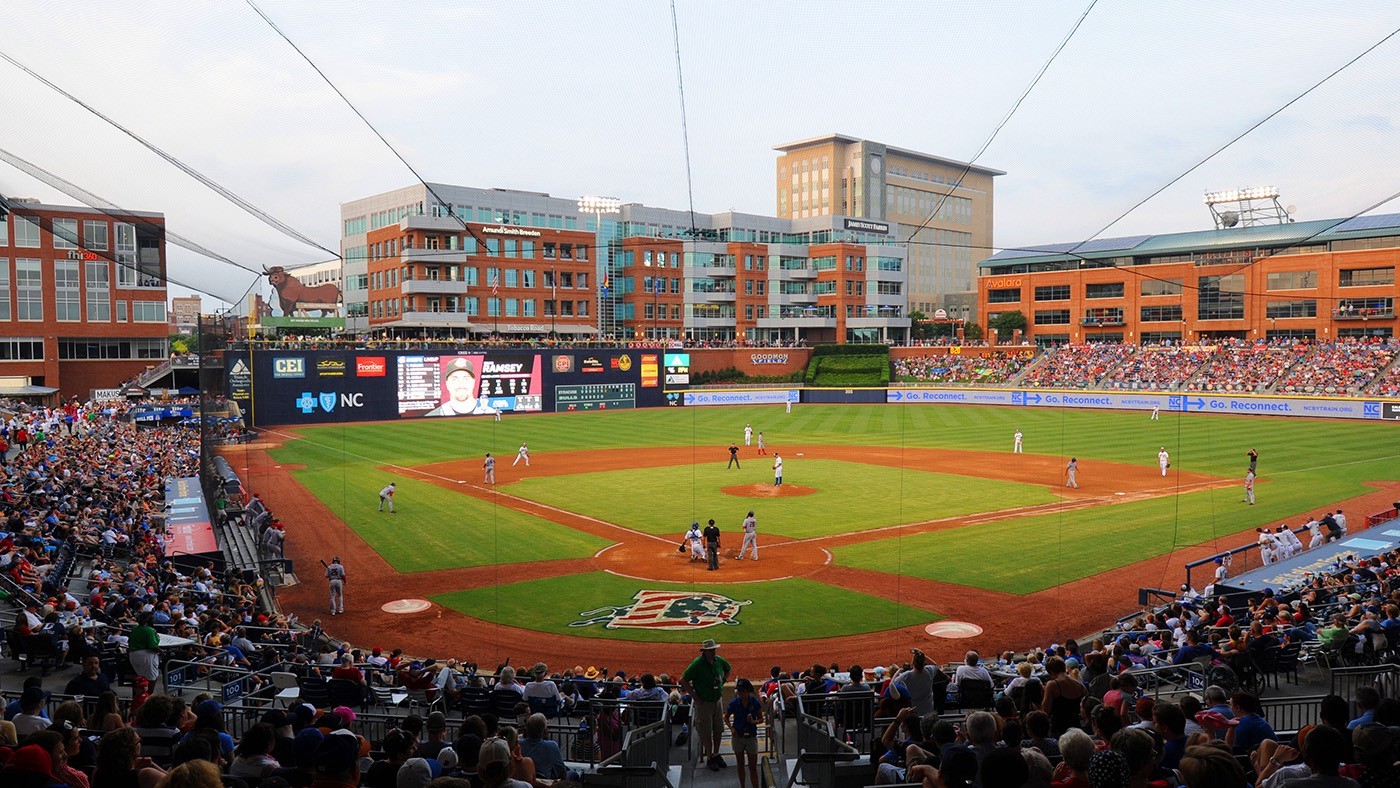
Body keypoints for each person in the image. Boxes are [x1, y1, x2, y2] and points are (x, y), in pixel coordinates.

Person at [681, 639, 731, 772]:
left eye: (714, 649)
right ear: (705, 651)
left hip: (717, 700)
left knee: (718, 729)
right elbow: (684, 680)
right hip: (704, 703)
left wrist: (723, 681)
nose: (714, 652)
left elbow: (728, 669)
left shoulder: (718, 660)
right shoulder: (697, 664)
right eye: (711, 650)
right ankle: (709, 757)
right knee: (706, 731)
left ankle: (716, 754)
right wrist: (694, 696)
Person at [425, 357, 497, 417]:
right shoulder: (433, 415)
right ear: (447, 383)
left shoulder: (492, 413)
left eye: (466, 378)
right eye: (455, 379)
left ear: (473, 382)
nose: (461, 384)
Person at [726, 678, 763, 788]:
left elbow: (761, 719)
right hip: (738, 737)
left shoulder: (755, 702)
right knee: (740, 764)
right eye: (739, 690)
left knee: (752, 767)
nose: (739, 693)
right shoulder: (734, 703)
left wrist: (754, 721)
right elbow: (726, 717)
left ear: (747, 691)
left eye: (742, 691)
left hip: (751, 737)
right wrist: (731, 728)